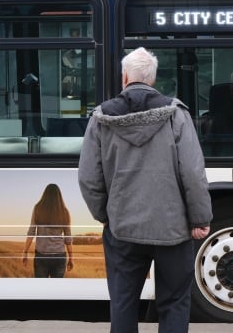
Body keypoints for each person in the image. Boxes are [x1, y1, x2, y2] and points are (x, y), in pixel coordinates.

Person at [78, 47, 212, 333]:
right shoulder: (176, 114)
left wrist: (107, 215)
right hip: (172, 229)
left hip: (122, 228)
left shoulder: (100, 118)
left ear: (125, 77)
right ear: (151, 80)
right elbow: (192, 172)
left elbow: (89, 177)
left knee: (123, 302)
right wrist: (200, 219)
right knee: (174, 301)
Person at [22, 183, 74, 278]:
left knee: (41, 290)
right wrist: (71, 258)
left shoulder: (38, 208)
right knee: (57, 290)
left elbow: (31, 232)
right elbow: (68, 239)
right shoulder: (64, 212)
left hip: (41, 256)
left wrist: (25, 252)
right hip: (59, 256)